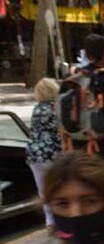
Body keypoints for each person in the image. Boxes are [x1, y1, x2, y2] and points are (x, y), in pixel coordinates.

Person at [26, 77, 62, 227]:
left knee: (43, 189)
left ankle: (50, 220)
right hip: (52, 151)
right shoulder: (55, 108)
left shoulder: (36, 109)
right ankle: (62, 217)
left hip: (34, 153)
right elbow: (61, 130)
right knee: (59, 185)